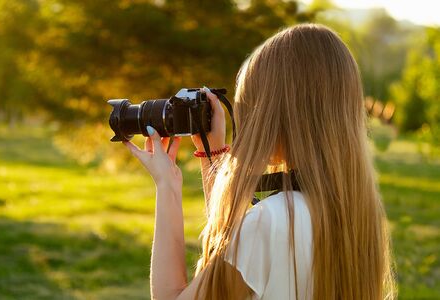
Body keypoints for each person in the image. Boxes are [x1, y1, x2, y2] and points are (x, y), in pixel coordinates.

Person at [123, 24, 396, 300]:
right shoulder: (357, 214)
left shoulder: (270, 221)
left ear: (275, 112)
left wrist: (166, 183)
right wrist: (212, 156)